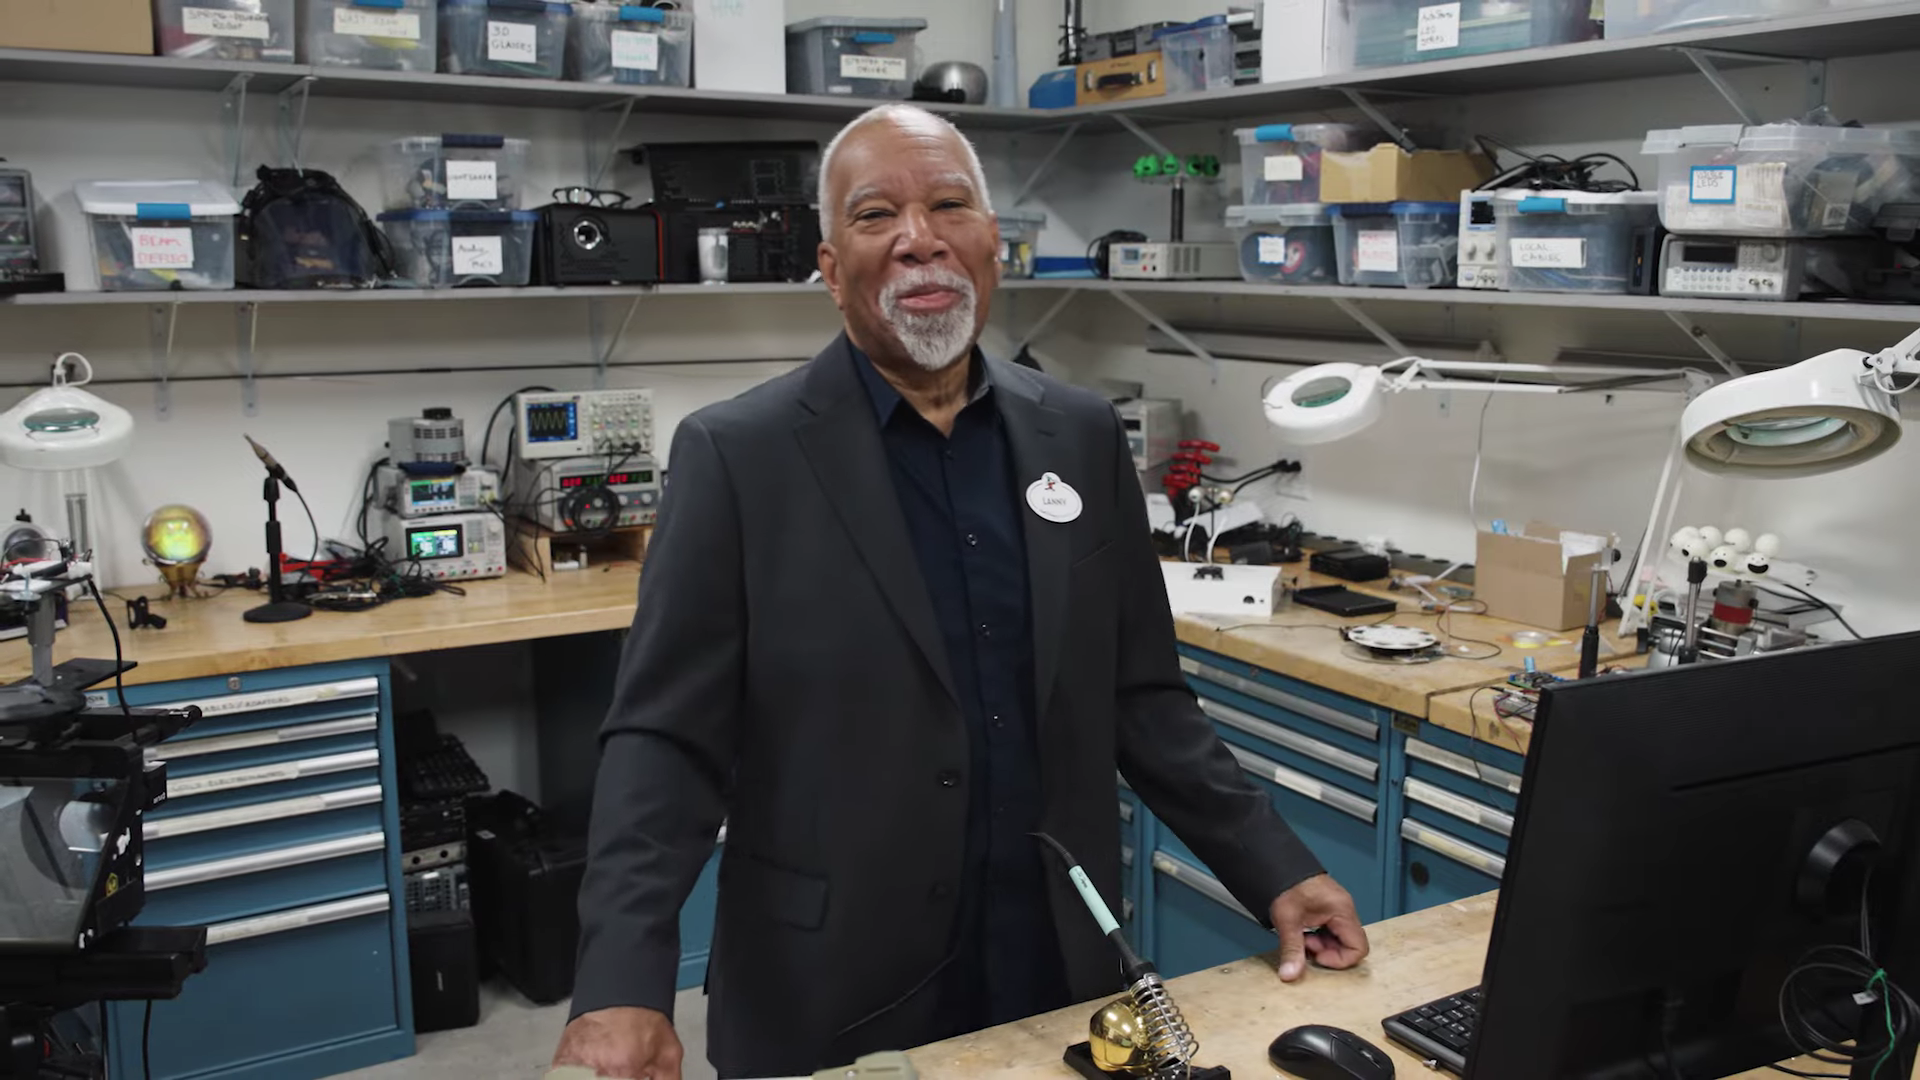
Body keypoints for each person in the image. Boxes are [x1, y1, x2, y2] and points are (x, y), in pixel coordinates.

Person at [550, 103, 1370, 1080]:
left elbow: (1141, 698)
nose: (918, 240)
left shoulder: (1078, 436)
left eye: (950, 205)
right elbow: (664, 743)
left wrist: (1275, 866)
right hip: (831, 979)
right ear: (828, 266)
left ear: (992, 245)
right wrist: (620, 982)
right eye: (874, 216)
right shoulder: (738, 457)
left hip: (1052, 958)